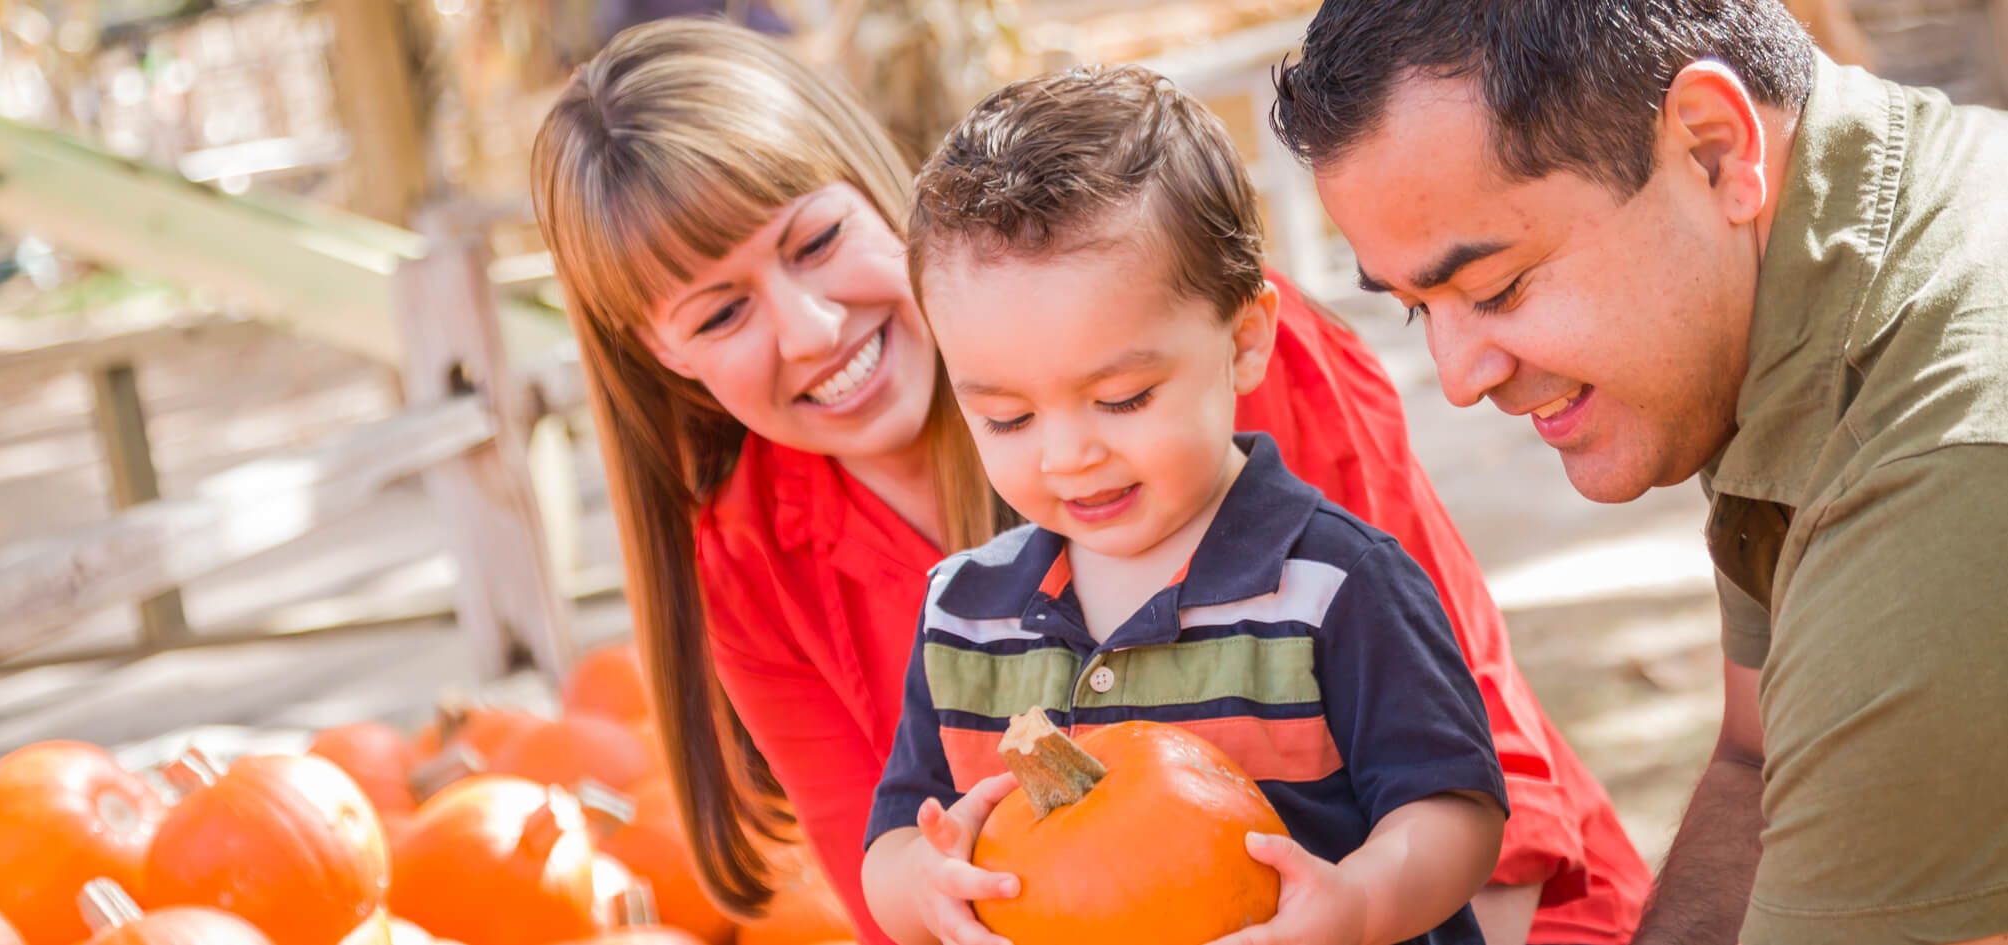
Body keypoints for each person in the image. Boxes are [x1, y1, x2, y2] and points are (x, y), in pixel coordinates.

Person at [530, 17, 1647, 945]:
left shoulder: (1190, 354)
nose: (812, 328)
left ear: (873, 193)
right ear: (658, 356)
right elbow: (900, 880)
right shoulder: (757, 563)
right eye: (720, 313)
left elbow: (1483, 780)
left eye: (816, 242)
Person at [1271, 2, 2008, 943]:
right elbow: (1756, 760)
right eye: (1421, 307)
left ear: (1711, 147)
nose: (1459, 380)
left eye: (1495, 288)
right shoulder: (1773, 273)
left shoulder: (1930, 481)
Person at [858, 65, 1510, 945]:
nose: (1067, 455)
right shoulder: (963, 615)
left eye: (1122, 397)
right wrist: (921, 886)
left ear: (1244, 341)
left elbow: (1453, 810)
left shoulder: (1331, 585)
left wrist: (1353, 906)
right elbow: (896, 833)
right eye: (1004, 416)